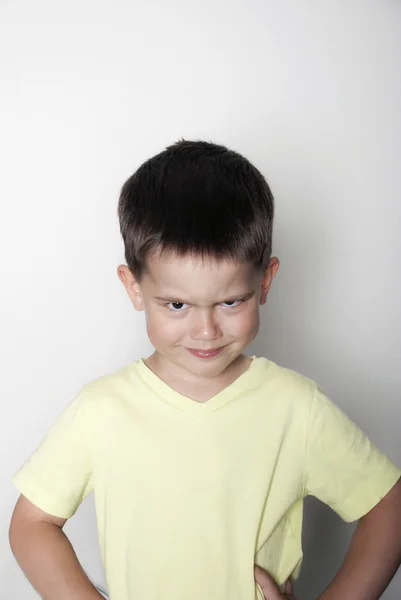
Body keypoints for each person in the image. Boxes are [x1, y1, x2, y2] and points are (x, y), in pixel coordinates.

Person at [9, 140, 401, 600]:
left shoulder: (296, 407)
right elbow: (32, 524)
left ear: (265, 282)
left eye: (230, 301)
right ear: (134, 288)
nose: (206, 330)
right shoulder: (101, 410)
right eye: (176, 304)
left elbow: (387, 507)